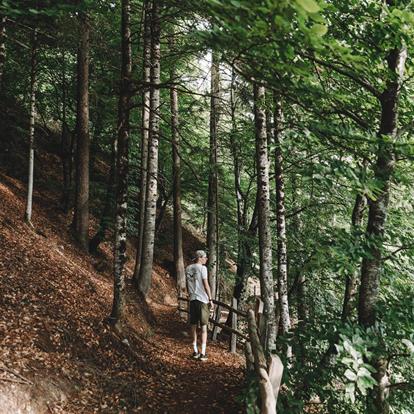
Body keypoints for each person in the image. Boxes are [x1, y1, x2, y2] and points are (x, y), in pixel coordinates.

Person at [185, 250, 213, 361]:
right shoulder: (202, 269)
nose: (206, 259)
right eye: (205, 257)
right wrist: (210, 299)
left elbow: (188, 284)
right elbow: (206, 285)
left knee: (193, 326)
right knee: (204, 327)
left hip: (192, 300)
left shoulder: (188, 268)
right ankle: (203, 353)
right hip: (202, 300)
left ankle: (195, 351)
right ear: (200, 257)